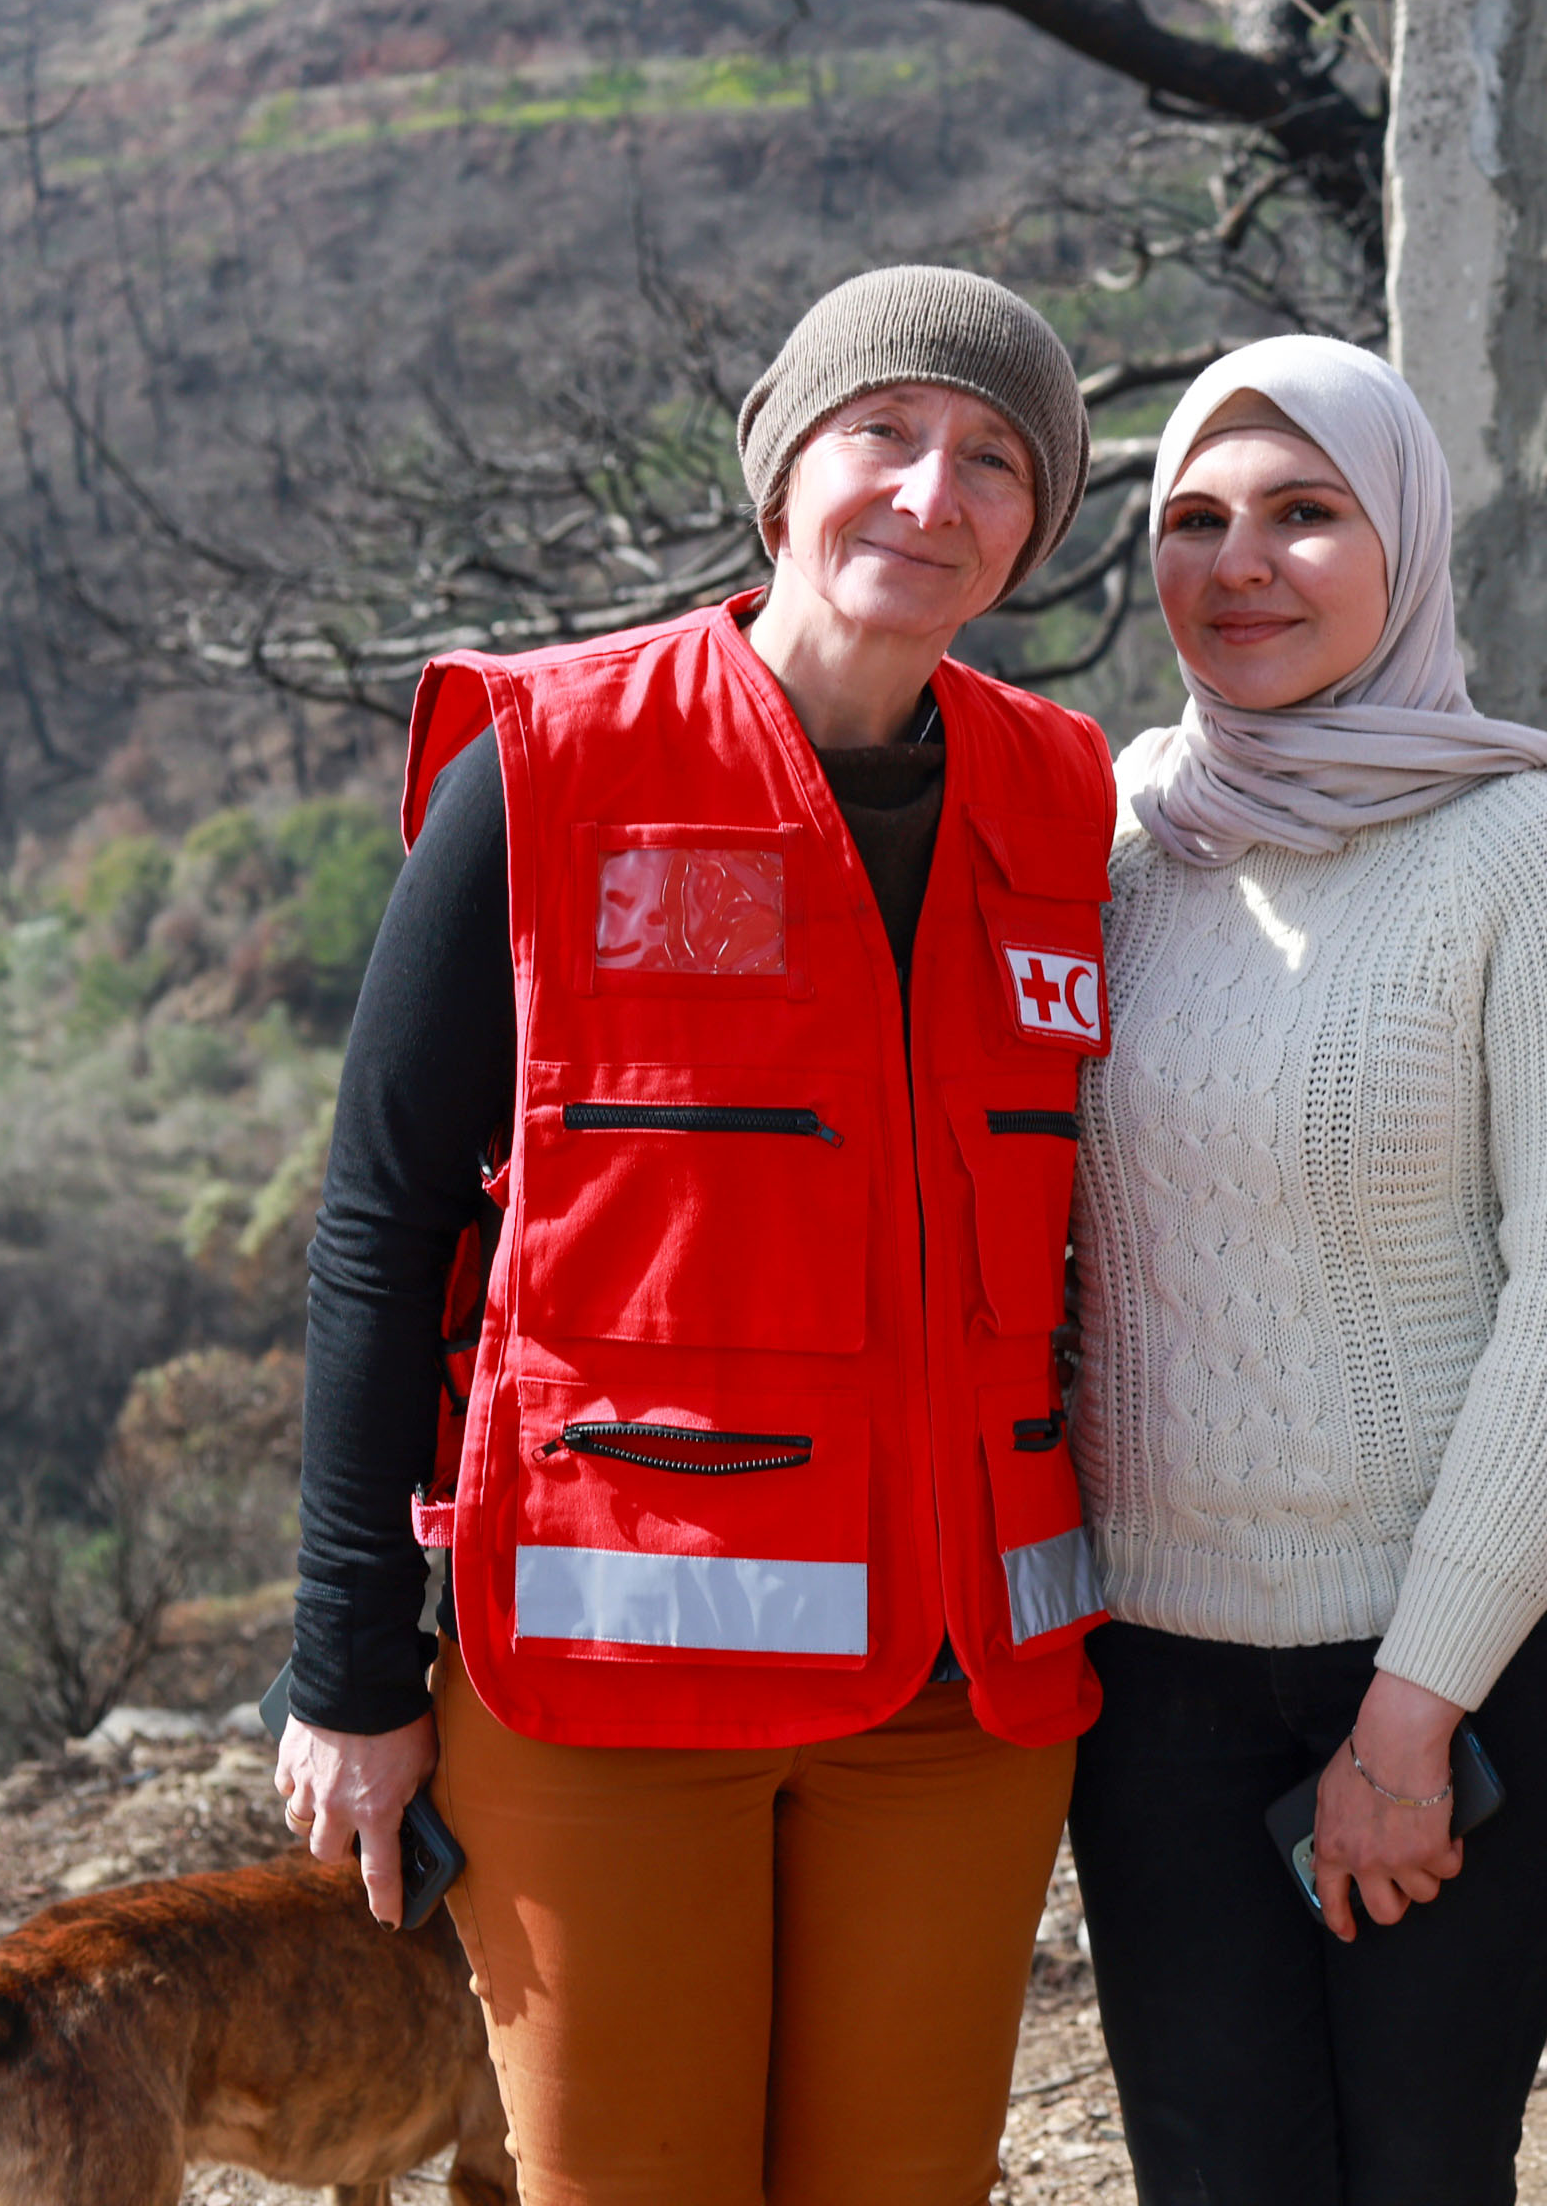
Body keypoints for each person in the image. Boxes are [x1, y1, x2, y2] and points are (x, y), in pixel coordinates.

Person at [275, 266, 1119, 2205]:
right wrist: (345, 1667)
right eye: (885, 432)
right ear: (782, 471)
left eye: (998, 459)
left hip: (955, 1696)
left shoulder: (1062, 797)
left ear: (1034, 530)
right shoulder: (551, 765)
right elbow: (379, 1226)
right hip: (605, 1676)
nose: (935, 487)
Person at [1064, 336, 1547, 2206]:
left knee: (1419, 2173)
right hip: (1156, 1662)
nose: (1241, 563)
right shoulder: (1109, 831)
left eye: (1307, 514)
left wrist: (1410, 1713)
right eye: (1195, 521)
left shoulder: (1530, 840)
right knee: (1212, 2174)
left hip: (1475, 1654)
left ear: (1406, 539)